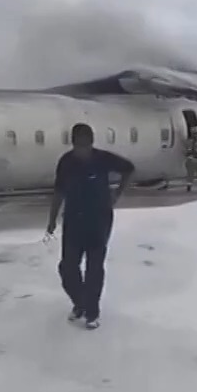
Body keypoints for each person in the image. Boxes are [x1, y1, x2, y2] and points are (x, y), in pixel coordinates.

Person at [45, 123, 135, 329]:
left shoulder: (103, 158)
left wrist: (118, 192)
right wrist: (52, 219)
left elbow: (129, 168)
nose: (83, 151)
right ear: (73, 143)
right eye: (79, 146)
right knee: (67, 268)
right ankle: (81, 303)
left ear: (92, 143)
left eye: (86, 146)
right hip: (74, 221)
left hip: (98, 220)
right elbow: (59, 191)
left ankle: (92, 313)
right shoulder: (66, 162)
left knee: (94, 269)